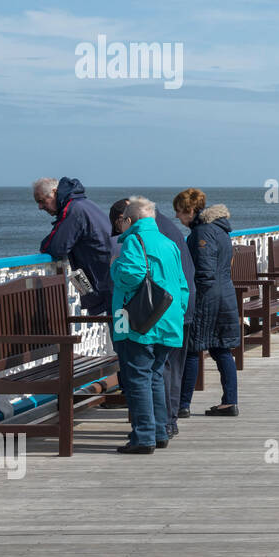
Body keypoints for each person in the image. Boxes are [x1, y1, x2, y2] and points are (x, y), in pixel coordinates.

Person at [110, 197, 189, 453]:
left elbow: (131, 274)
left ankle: (143, 437)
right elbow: (182, 285)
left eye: (122, 221)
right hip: (169, 319)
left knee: (138, 377)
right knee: (155, 375)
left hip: (141, 323)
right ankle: (159, 431)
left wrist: (114, 268)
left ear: (129, 220)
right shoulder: (169, 242)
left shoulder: (134, 240)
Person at [172, 189, 241, 416]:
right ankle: (229, 401)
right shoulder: (220, 230)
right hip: (225, 294)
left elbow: (204, 271)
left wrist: (192, 297)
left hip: (208, 298)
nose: (177, 217)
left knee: (192, 350)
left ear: (190, 211)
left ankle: (182, 404)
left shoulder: (202, 233)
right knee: (221, 349)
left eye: (179, 212)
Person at [33, 177, 115, 315]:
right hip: (111, 279)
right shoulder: (84, 203)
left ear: (54, 192)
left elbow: (57, 247)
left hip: (107, 283)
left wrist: (44, 245)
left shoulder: (73, 210)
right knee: (123, 330)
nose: (40, 207)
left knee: (121, 332)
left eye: (41, 201)